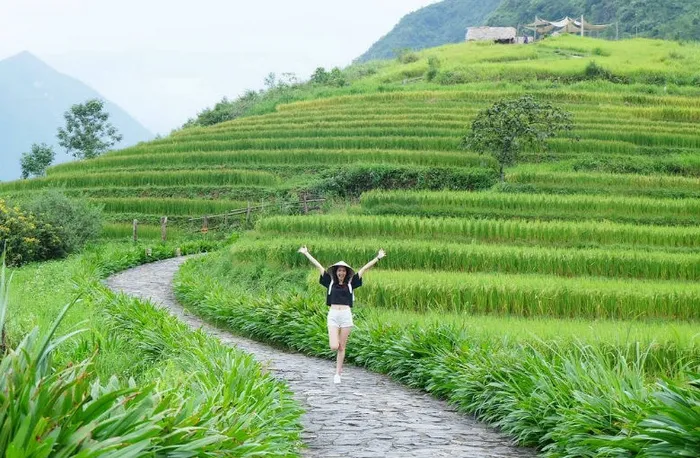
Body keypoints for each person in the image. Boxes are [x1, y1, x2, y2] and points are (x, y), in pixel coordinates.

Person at [298, 246, 386, 384]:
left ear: (346, 272)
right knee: (334, 346)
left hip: (346, 315)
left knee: (342, 347)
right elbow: (318, 266)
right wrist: (306, 253)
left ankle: (338, 373)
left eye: (343, 270)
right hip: (333, 314)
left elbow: (364, 269)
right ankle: (338, 366)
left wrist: (378, 257)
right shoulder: (330, 281)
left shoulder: (351, 283)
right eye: (339, 270)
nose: (341, 272)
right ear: (336, 272)